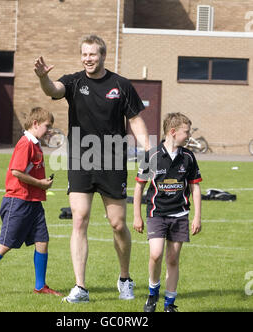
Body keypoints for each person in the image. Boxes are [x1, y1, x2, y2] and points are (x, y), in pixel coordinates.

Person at [34, 34, 150, 303]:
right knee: (79, 218)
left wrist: (148, 149)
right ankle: (81, 288)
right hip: (80, 160)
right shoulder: (74, 82)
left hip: (112, 161)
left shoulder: (121, 85)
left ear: (103, 56)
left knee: (118, 224)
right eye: (84, 54)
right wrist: (42, 78)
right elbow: (54, 90)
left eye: (92, 54)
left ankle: (124, 279)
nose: (87, 59)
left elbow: (135, 119)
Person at [0, 107, 63, 296]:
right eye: (47, 126)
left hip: (34, 202)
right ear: (35, 124)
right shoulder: (25, 143)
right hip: (17, 201)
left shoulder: (35, 143)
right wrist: (40, 183)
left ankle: (40, 286)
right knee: (5, 243)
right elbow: (16, 172)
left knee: (42, 241)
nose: (49, 130)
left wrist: (41, 186)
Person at [133, 112, 202, 312]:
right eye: (186, 132)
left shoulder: (188, 156)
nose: (188, 136)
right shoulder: (152, 156)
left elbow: (195, 188)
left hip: (180, 215)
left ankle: (169, 304)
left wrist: (197, 216)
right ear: (173, 132)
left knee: (172, 259)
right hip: (157, 214)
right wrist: (137, 216)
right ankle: (153, 292)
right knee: (155, 254)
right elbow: (139, 187)